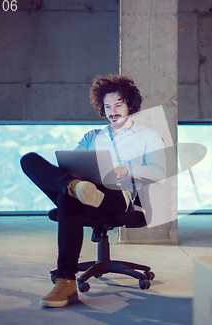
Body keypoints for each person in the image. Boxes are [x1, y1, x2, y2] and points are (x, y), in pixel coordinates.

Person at [20, 75, 166, 308]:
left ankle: (66, 281)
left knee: (68, 198)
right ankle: (73, 187)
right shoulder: (92, 136)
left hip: (117, 195)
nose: (112, 111)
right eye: (107, 106)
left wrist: (126, 169)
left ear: (129, 103)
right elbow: (71, 166)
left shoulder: (148, 136)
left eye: (118, 104)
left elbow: (159, 172)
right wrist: (71, 179)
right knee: (29, 160)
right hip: (83, 190)